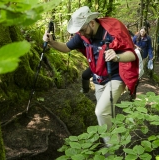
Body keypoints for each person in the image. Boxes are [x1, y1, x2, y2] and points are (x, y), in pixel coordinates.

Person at [43, 6, 139, 146]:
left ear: (92, 23)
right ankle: (115, 141)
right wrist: (51, 42)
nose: (80, 33)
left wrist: (116, 56)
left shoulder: (112, 31)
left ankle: (112, 148)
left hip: (115, 77)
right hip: (98, 78)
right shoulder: (82, 35)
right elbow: (65, 48)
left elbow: (131, 55)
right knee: (106, 113)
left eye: (82, 29)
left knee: (100, 111)